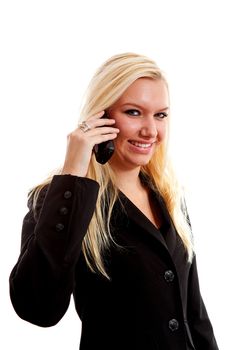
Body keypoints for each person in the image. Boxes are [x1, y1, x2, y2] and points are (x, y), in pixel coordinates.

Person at [9, 52, 219, 350]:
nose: (150, 130)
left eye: (160, 115)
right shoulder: (60, 199)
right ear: (101, 116)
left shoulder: (168, 195)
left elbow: (195, 316)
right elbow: (38, 308)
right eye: (134, 112)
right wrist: (72, 175)